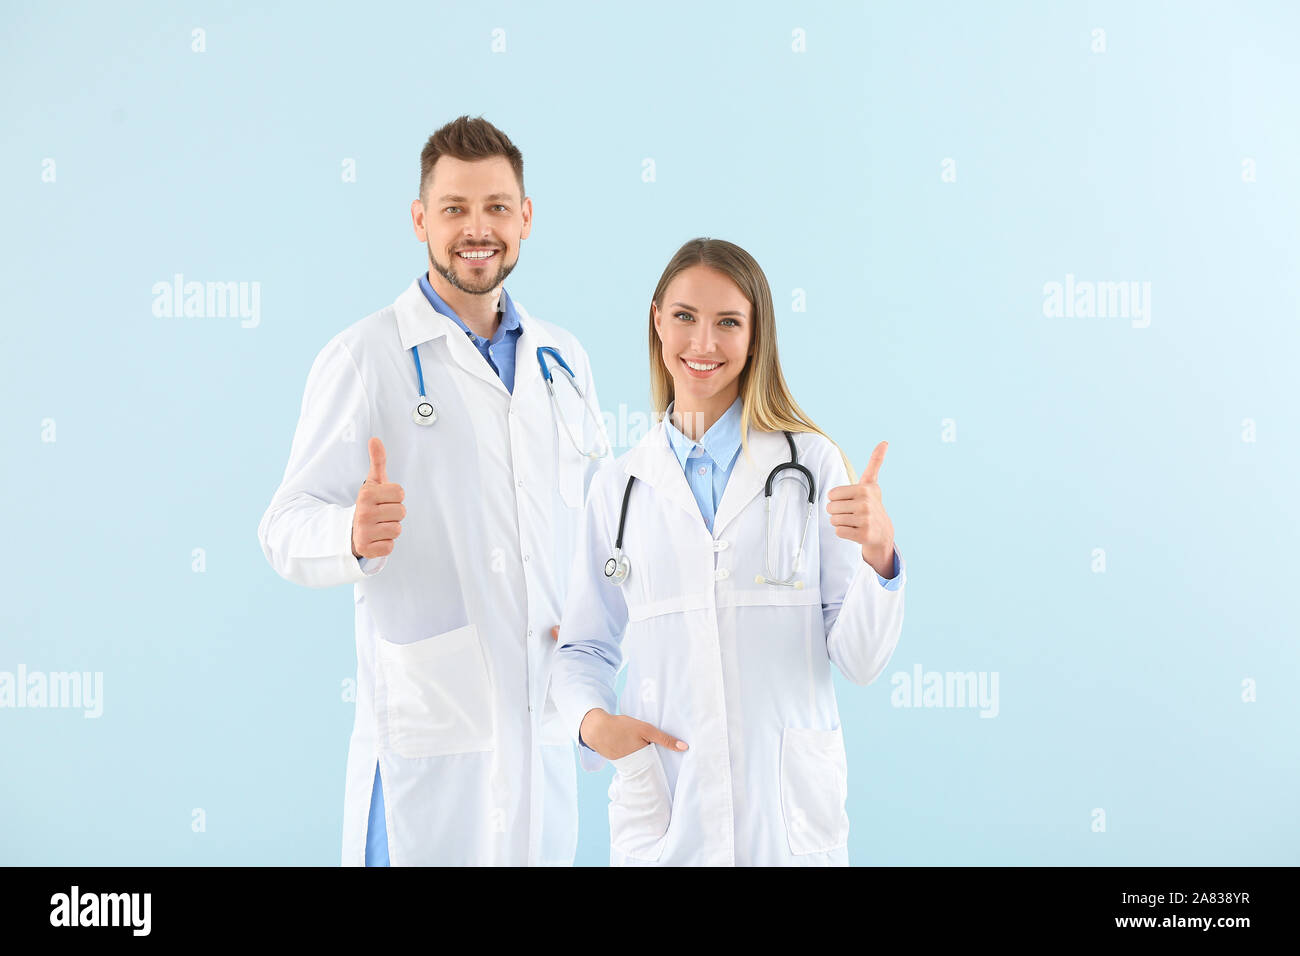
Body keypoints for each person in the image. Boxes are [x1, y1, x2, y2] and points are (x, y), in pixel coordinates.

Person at [258, 116, 607, 866]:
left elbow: (601, 529)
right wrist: (349, 534)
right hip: (430, 732)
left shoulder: (565, 361)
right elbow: (284, 526)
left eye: (495, 207)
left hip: (541, 717)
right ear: (420, 220)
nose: (475, 228)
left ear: (526, 218)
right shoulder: (365, 357)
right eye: (454, 208)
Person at [549, 237, 905, 866]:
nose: (704, 344)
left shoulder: (811, 465)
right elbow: (584, 647)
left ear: (755, 334)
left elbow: (860, 660)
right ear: (657, 318)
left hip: (788, 822)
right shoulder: (620, 488)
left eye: (728, 323)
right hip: (666, 815)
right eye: (685, 316)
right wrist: (594, 726)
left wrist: (880, 554)